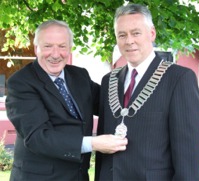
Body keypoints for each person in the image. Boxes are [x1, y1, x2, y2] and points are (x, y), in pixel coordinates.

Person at [6, 20, 127, 181]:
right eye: (48, 46)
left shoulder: (79, 76)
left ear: (69, 49)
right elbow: (37, 137)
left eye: (62, 46)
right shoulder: (21, 83)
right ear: (37, 49)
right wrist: (94, 143)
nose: (55, 54)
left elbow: (109, 105)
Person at [95, 4, 199, 181]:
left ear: (152, 33)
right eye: (122, 35)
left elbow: (189, 152)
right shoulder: (109, 80)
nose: (129, 41)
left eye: (136, 33)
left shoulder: (178, 79)